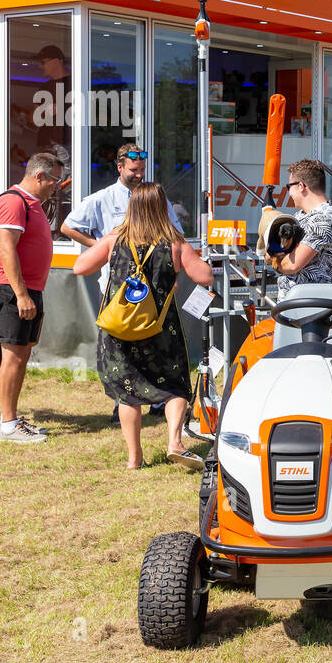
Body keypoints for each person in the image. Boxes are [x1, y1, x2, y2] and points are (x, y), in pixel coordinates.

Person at [74, 182, 214, 471]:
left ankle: (134, 458)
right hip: (160, 326)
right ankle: (174, 442)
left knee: (128, 391)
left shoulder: (116, 237)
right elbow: (204, 277)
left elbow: (80, 267)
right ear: (162, 206)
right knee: (174, 384)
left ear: (132, 207)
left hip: (120, 327)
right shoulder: (174, 241)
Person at [62, 143, 183, 422]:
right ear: (119, 167)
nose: (139, 175)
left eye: (142, 170)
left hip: (155, 286)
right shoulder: (102, 199)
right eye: (133, 170)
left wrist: (173, 271)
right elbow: (68, 226)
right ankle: (124, 402)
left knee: (155, 343)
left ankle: (157, 398)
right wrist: (102, 249)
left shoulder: (155, 198)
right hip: (118, 288)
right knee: (124, 346)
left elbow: (176, 235)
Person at [0, 152, 62, 444]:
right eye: (53, 180)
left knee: (20, 353)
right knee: (13, 355)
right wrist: (20, 295)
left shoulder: (32, 204)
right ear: (39, 176)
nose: (56, 186)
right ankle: (8, 424)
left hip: (27, 289)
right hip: (12, 289)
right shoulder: (13, 202)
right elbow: (7, 249)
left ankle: (12, 419)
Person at [265, 159, 332, 299]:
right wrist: (273, 255)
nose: (288, 193)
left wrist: (275, 260)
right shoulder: (299, 216)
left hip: (313, 308)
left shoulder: (323, 218)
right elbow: (270, 253)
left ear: (301, 186)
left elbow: (292, 265)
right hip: (296, 305)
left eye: (289, 187)